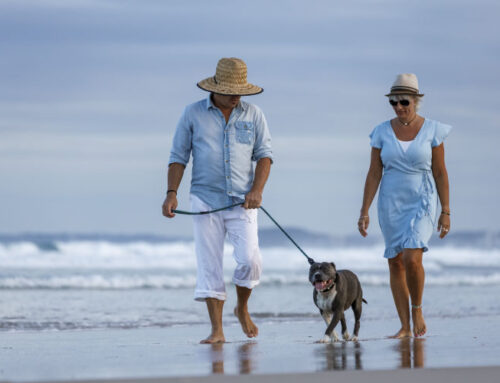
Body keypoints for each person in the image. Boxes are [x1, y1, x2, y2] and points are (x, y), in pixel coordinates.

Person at [162, 57, 273, 344]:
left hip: (242, 201)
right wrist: (171, 193)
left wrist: (257, 190)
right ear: (215, 88)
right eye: (231, 91)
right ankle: (217, 330)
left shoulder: (254, 114)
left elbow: (264, 156)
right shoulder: (192, 114)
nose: (237, 96)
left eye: (241, 92)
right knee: (209, 266)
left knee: (250, 260)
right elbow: (178, 157)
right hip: (204, 200)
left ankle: (242, 308)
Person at [358, 73, 451, 338]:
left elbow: (441, 173)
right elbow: (374, 172)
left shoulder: (433, 130)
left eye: (404, 102)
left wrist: (445, 210)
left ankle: (417, 308)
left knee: (412, 257)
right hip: (390, 201)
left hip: (421, 198)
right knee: (395, 262)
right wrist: (364, 210)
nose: (399, 107)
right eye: (394, 102)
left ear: (415, 101)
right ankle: (404, 326)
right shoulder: (381, 132)